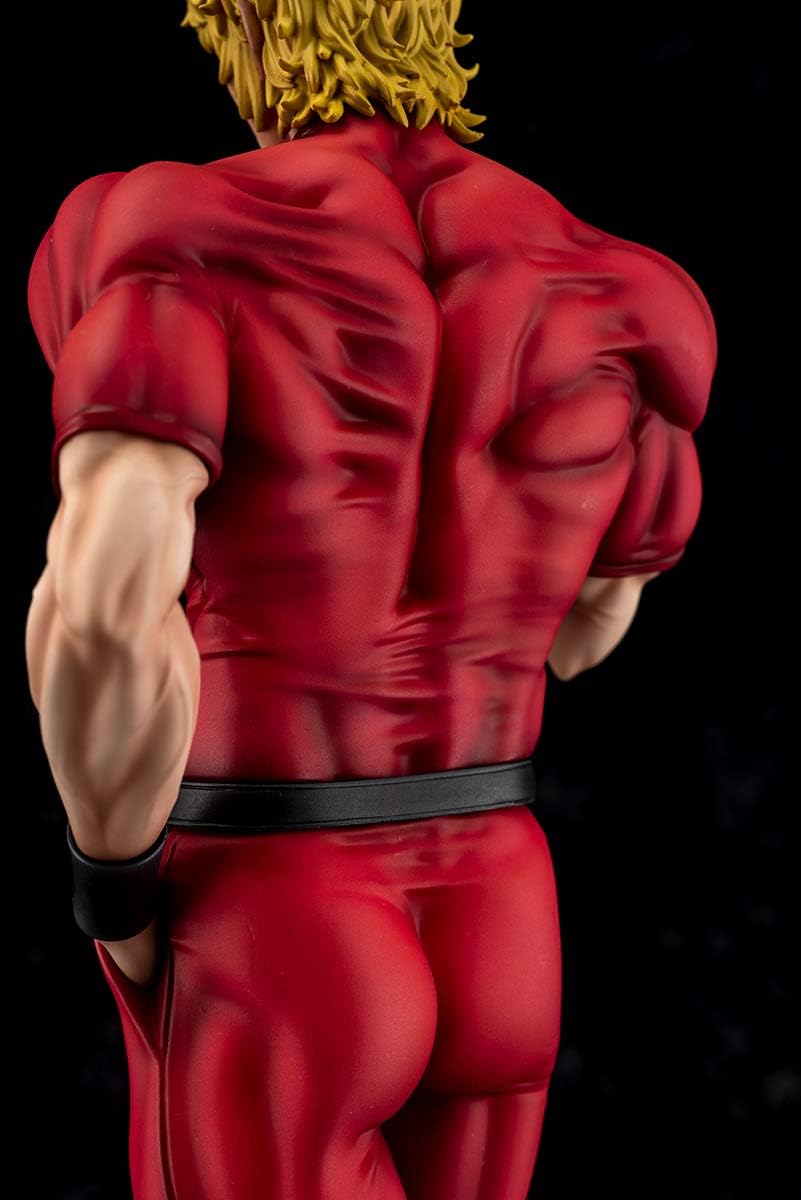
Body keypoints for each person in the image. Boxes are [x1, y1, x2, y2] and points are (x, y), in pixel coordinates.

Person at [24, 2, 718, 1197]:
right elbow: (588, 630)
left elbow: (103, 612)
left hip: (279, 910)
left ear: (250, 36)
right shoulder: (612, 289)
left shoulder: (181, 238)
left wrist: (114, 883)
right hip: (501, 910)